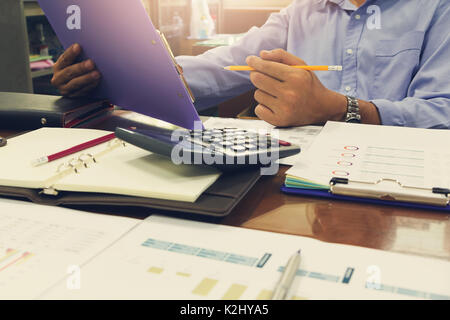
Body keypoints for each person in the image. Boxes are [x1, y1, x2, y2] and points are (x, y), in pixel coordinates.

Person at [51, 0, 450, 129]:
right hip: (297, 179)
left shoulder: (437, 10)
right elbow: (225, 65)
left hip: (397, 188)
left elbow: (442, 110)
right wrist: (116, 73)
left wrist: (338, 108)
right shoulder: (300, 12)